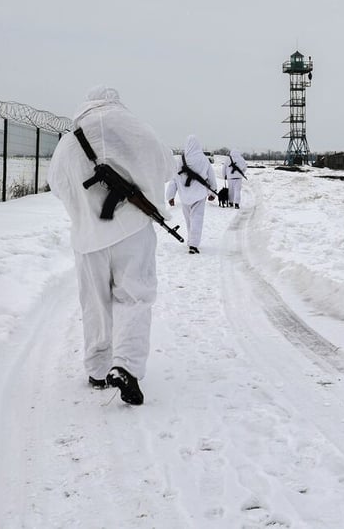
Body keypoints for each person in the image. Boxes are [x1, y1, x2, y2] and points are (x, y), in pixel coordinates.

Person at [47, 86, 175, 406]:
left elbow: (57, 184)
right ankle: (126, 367)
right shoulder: (139, 129)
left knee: (95, 302)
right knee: (135, 297)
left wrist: (85, 207)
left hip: (89, 236)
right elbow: (168, 167)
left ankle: (98, 367)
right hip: (134, 229)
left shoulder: (69, 140)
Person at [166, 135, 217, 254]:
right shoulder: (203, 159)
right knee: (197, 219)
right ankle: (193, 244)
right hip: (199, 195)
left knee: (189, 220)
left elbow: (174, 179)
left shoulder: (180, 160)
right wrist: (212, 192)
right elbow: (211, 176)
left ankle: (191, 240)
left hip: (184, 196)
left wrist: (170, 196)